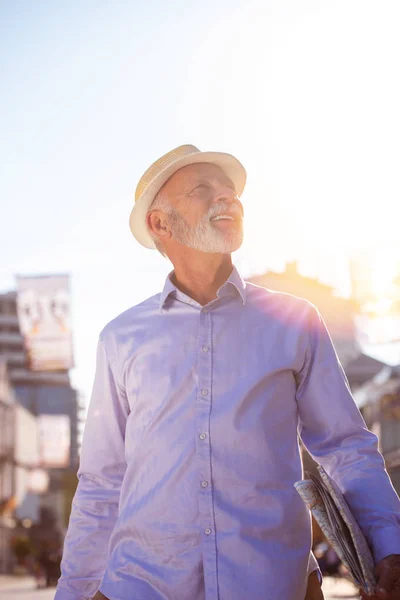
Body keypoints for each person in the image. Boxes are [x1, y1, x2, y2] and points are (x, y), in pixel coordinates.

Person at [55, 145, 400, 600]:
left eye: (231, 192)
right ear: (161, 224)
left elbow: (345, 447)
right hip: (142, 587)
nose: (229, 199)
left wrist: (389, 546)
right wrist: (74, 591)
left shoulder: (295, 320)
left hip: (276, 587)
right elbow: (101, 482)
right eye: (204, 190)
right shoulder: (120, 338)